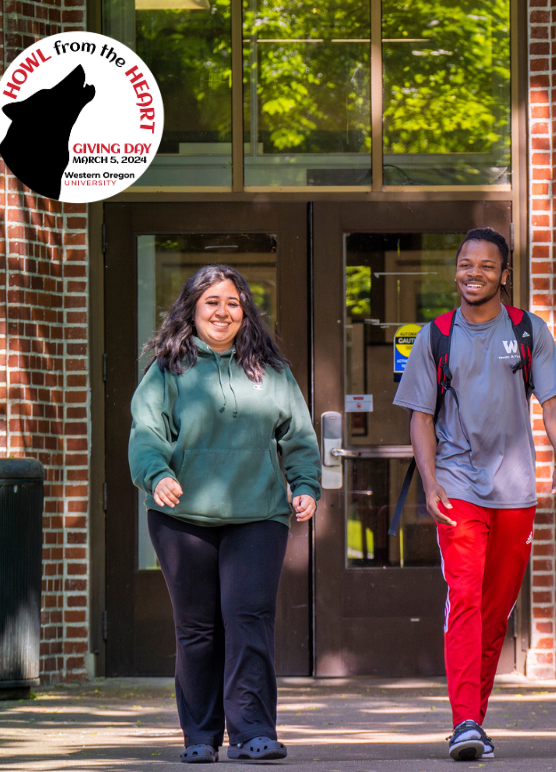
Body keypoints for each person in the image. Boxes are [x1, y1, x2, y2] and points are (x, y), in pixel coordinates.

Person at [394, 227, 556, 761]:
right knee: (466, 600)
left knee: (496, 612)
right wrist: (430, 484)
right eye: (465, 264)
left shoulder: (527, 331)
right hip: (457, 487)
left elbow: (553, 401)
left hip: (516, 490)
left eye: (485, 266)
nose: (473, 273)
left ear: (504, 274)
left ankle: (476, 718)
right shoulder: (435, 335)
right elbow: (420, 418)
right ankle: (464, 721)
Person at [128, 265, 321, 764]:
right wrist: (157, 474)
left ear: (245, 311)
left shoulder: (270, 370)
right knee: (197, 629)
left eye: (232, 302)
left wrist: (304, 484)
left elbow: (297, 435)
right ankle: (200, 735)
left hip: (258, 515)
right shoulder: (168, 368)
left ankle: (254, 730)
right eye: (211, 301)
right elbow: (146, 432)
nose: (222, 311)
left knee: (249, 619)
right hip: (181, 517)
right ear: (193, 308)